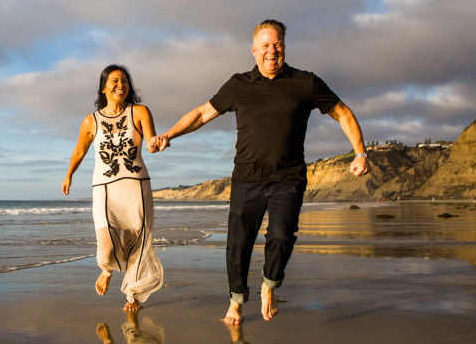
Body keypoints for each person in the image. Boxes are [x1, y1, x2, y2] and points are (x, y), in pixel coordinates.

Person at [151, 19, 369, 324]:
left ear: (284, 47)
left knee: (281, 235)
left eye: (277, 44)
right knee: (237, 245)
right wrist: (169, 135)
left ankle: (270, 284)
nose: (272, 50)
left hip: (288, 177)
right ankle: (237, 300)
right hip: (246, 179)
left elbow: (342, 112)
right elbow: (202, 113)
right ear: (254, 50)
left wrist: (360, 152)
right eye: (265, 45)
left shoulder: (305, 82)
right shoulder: (238, 85)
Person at [63, 65, 164, 312]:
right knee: (107, 248)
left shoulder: (139, 112)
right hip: (105, 189)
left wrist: (156, 143)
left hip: (136, 186)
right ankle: (106, 270)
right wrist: (69, 175)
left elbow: (150, 142)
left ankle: (133, 294)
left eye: (125, 81)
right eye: (115, 81)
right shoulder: (91, 121)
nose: (121, 85)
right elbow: (79, 150)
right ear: (104, 87)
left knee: (138, 241)